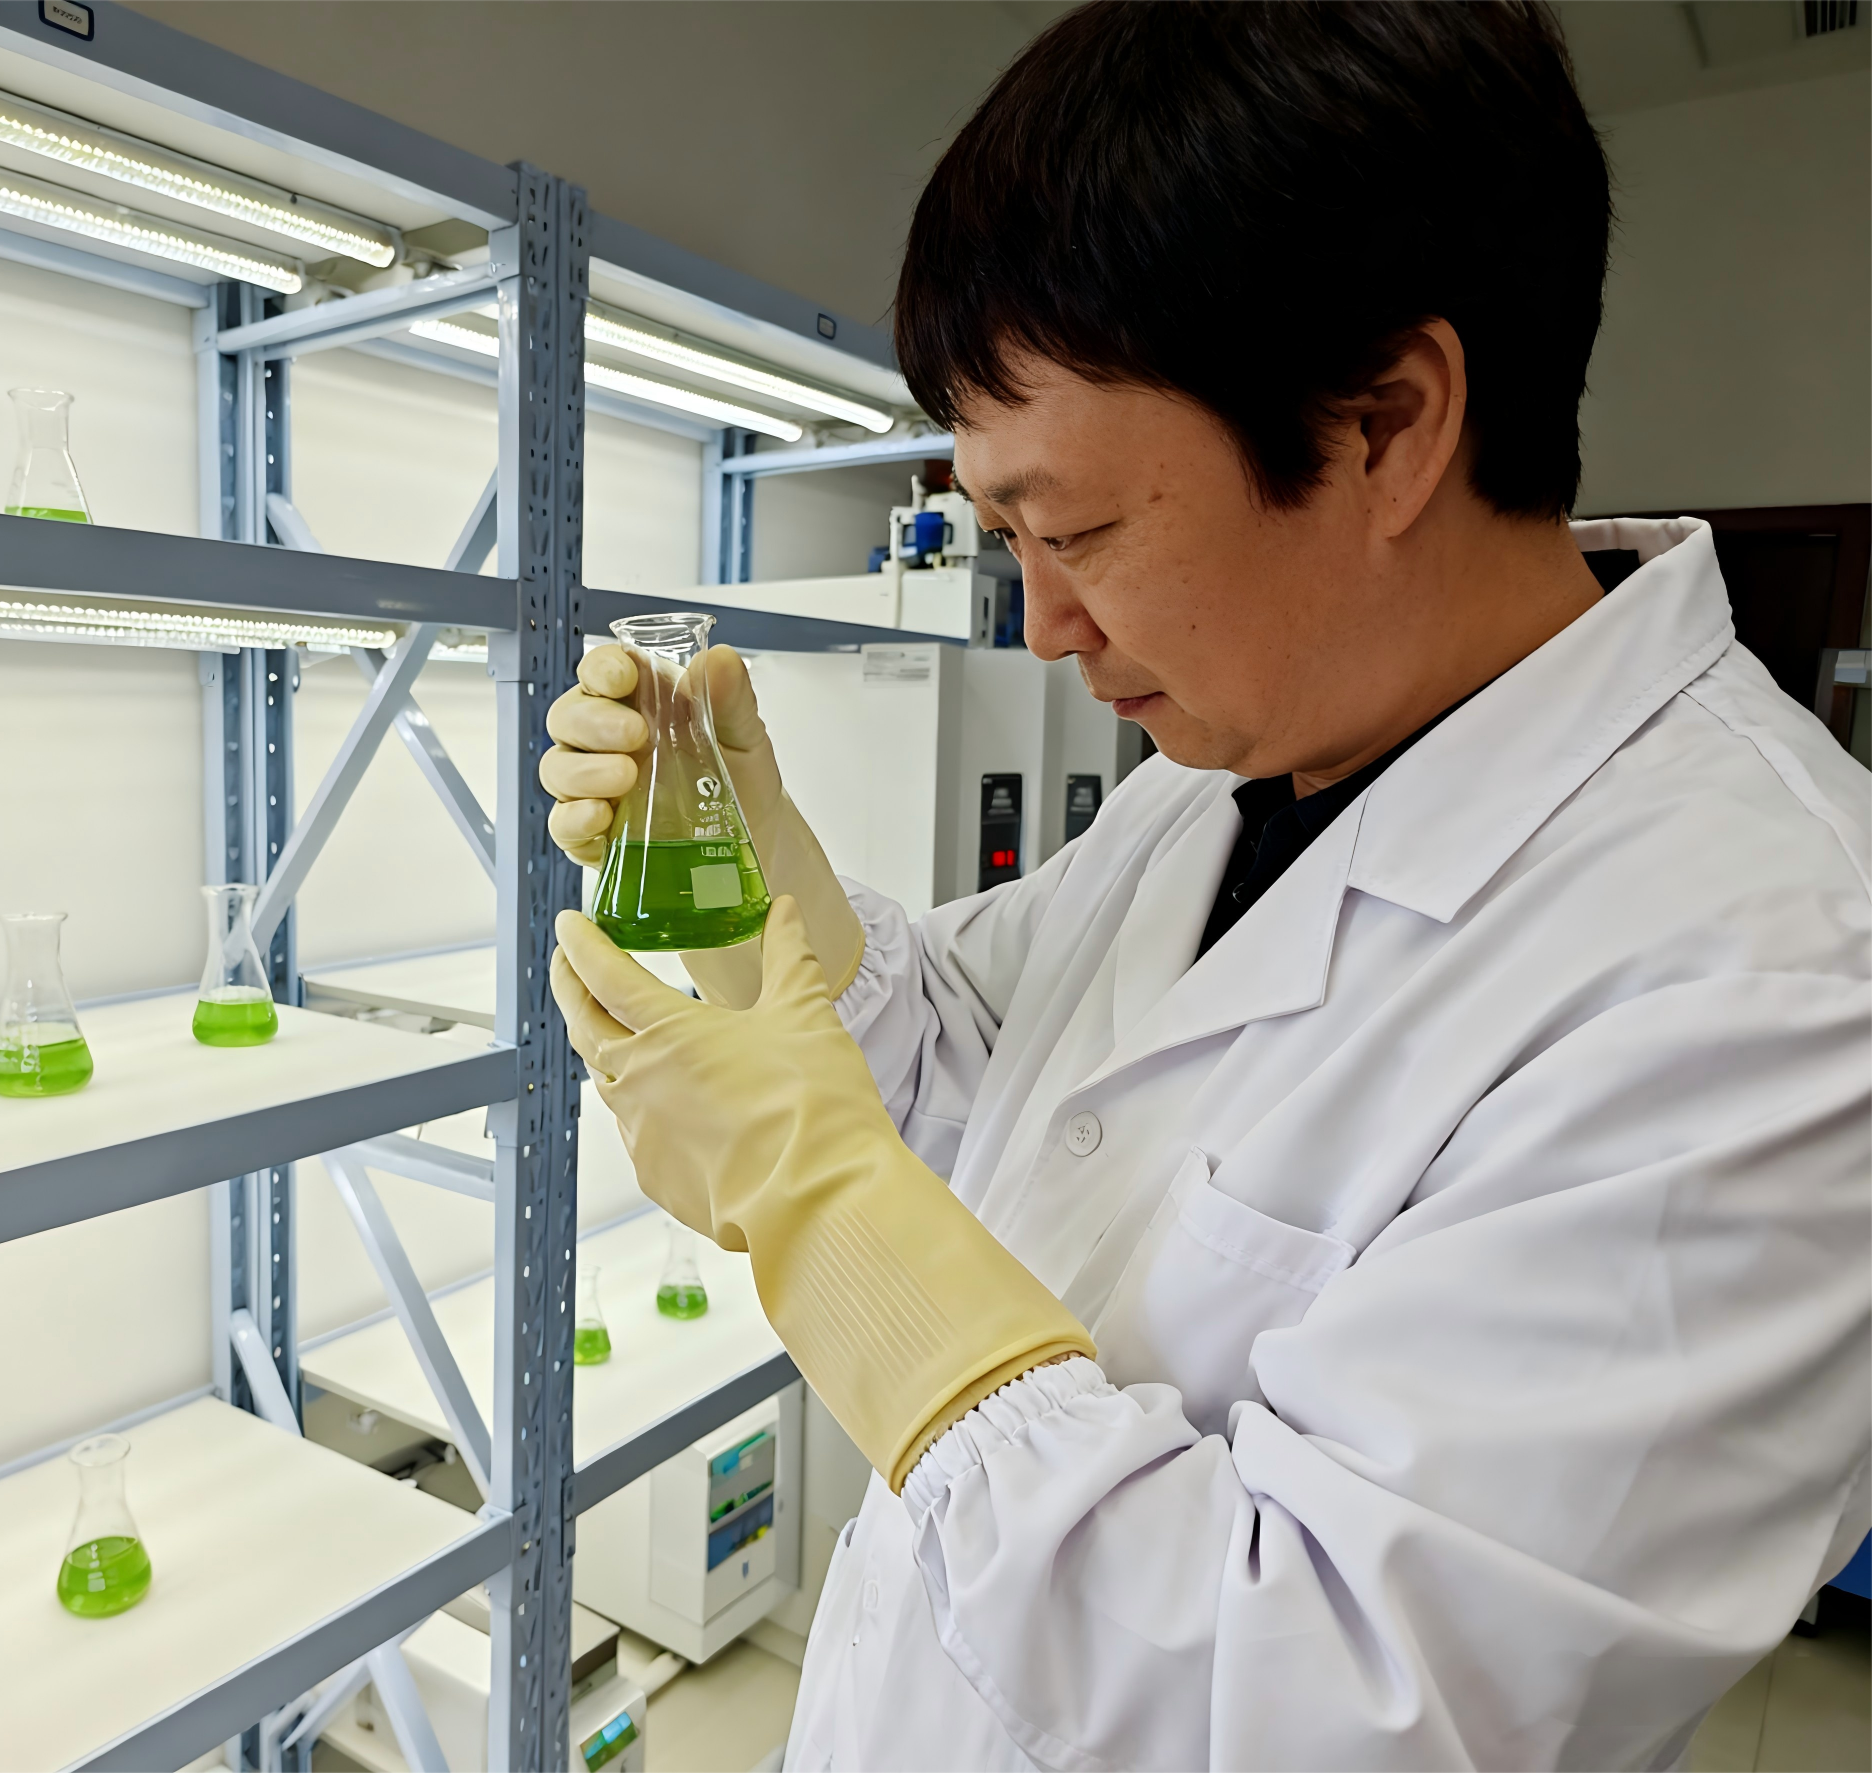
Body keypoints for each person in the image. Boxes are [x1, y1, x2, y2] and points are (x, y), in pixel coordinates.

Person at [543, 1, 1872, 1767]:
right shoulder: (1235, 763)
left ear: (1389, 425)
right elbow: (985, 1071)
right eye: (1005, 539)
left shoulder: (1769, 976)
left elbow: (1318, 1698)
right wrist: (771, 896)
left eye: (1076, 532)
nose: (1045, 625)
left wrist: (821, 1213)